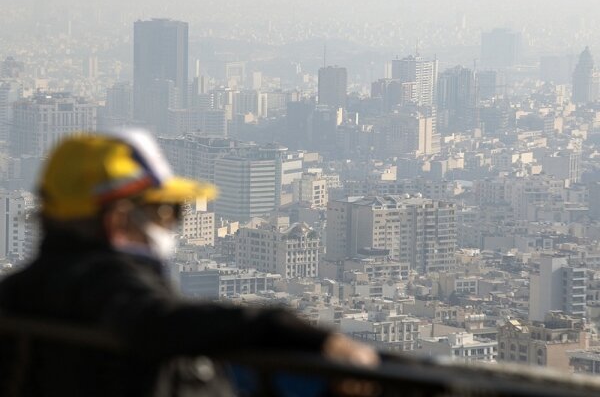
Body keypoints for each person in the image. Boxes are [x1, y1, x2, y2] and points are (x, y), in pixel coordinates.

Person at [0, 130, 378, 396]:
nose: (172, 225)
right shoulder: (102, 280)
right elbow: (153, 321)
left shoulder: (19, 291)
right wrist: (296, 331)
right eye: (166, 211)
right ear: (118, 221)